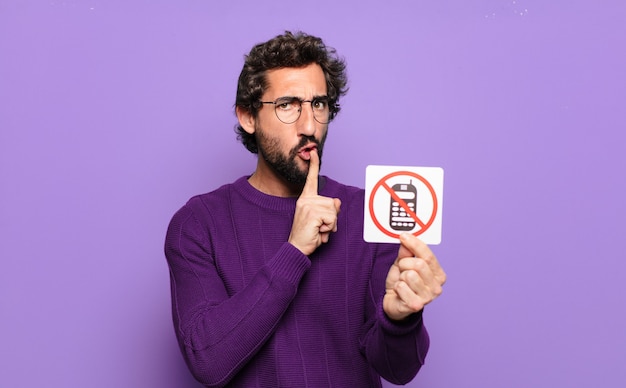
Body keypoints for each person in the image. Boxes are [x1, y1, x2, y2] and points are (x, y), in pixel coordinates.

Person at [164, 31, 446, 387]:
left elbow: (398, 369)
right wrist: (294, 251)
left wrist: (400, 318)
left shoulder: (369, 212)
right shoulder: (198, 223)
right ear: (248, 117)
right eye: (287, 105)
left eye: (319, 104)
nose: (309, 125)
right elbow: (208, 362)